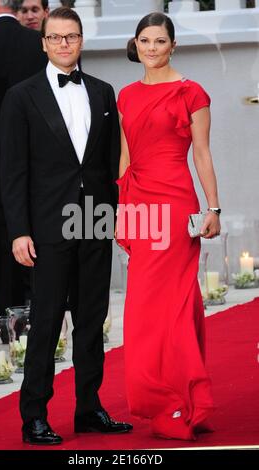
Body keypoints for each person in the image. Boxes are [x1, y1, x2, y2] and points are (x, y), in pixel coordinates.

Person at [0, 6, 132, 445]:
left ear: (80, 40)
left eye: (71, 37)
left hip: (94, 220)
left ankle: (90, 407)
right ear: (43, 42)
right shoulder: (21, 96)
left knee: (93, 319)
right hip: (46, 226)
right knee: (48, 321)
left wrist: (113, 217)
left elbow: (110, 163)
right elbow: (13, 170)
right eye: (55, 37)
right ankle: (33, 415)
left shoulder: (103, 91)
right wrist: (19, 230)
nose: (63, 44)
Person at [115, 12, 221, 440]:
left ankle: (182, 401)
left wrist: (214, 208)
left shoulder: (191, 92)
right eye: (145, 40)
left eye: (160, 41)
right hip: (139, 206)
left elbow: (202, 153)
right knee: (143, 307)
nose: (152, 48)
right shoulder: (124, 95)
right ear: (136, 44)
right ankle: (164, 398)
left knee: (174, 304)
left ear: (173, 45)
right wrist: (120, 212)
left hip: (176, 206)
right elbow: (124, 157)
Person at [0, 0, 47, 316]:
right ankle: (45, 310)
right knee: (40, 231)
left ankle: (10, 316)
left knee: (4, 235)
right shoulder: (38, 44)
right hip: (39, 160)